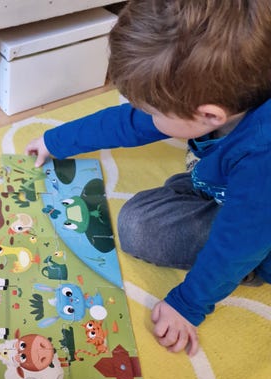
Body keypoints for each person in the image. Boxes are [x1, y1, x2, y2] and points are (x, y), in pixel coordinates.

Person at [25, 0, 271, 356]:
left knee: (141, 228)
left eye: (153, 110)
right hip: (233, 190)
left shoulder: (261, 156)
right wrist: (56, 141)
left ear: (209, 115)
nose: (144, 115)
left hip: (256, 234)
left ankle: (251, 269)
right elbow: (128, 123)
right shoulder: (220, 93)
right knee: (147, 212)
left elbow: (239, 241)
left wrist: (188, 303)